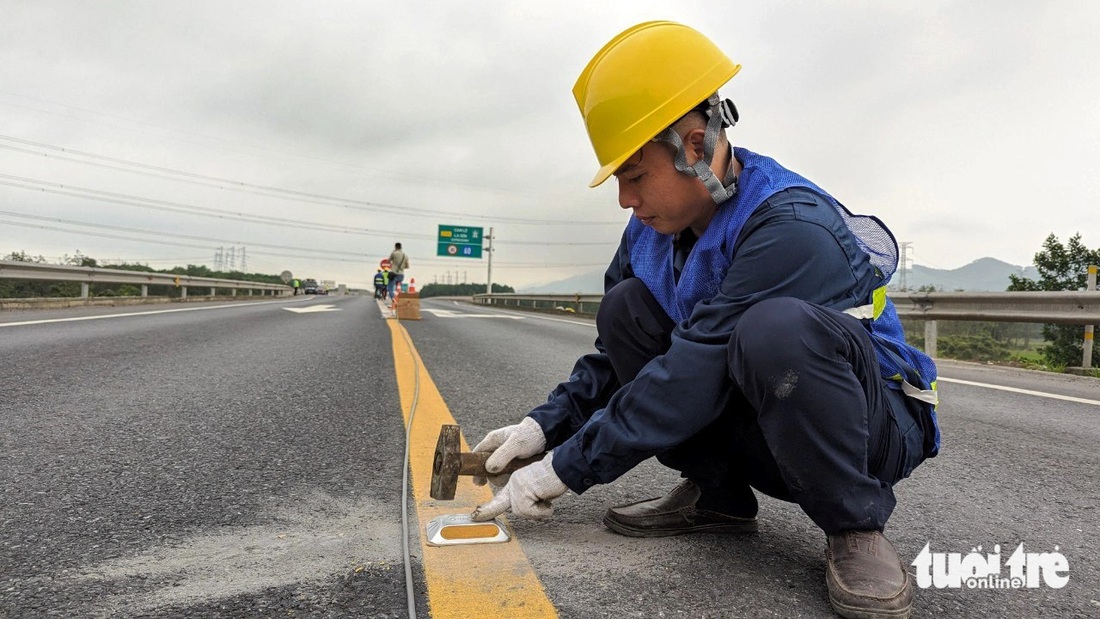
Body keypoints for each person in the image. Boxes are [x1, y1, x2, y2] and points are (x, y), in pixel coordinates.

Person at [469, 21, 939, 619]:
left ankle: (855, 526)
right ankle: (718, 497)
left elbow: (692, 370)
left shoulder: (790, 227)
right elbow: (617, 361)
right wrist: (543, 428)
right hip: (765, 413)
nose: (624, 199)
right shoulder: (649, 233)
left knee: (774, 331)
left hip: (872, 422)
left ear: (695, 146)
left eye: (635, 176)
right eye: (619, 180)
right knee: (625, 309)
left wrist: (564, 469)